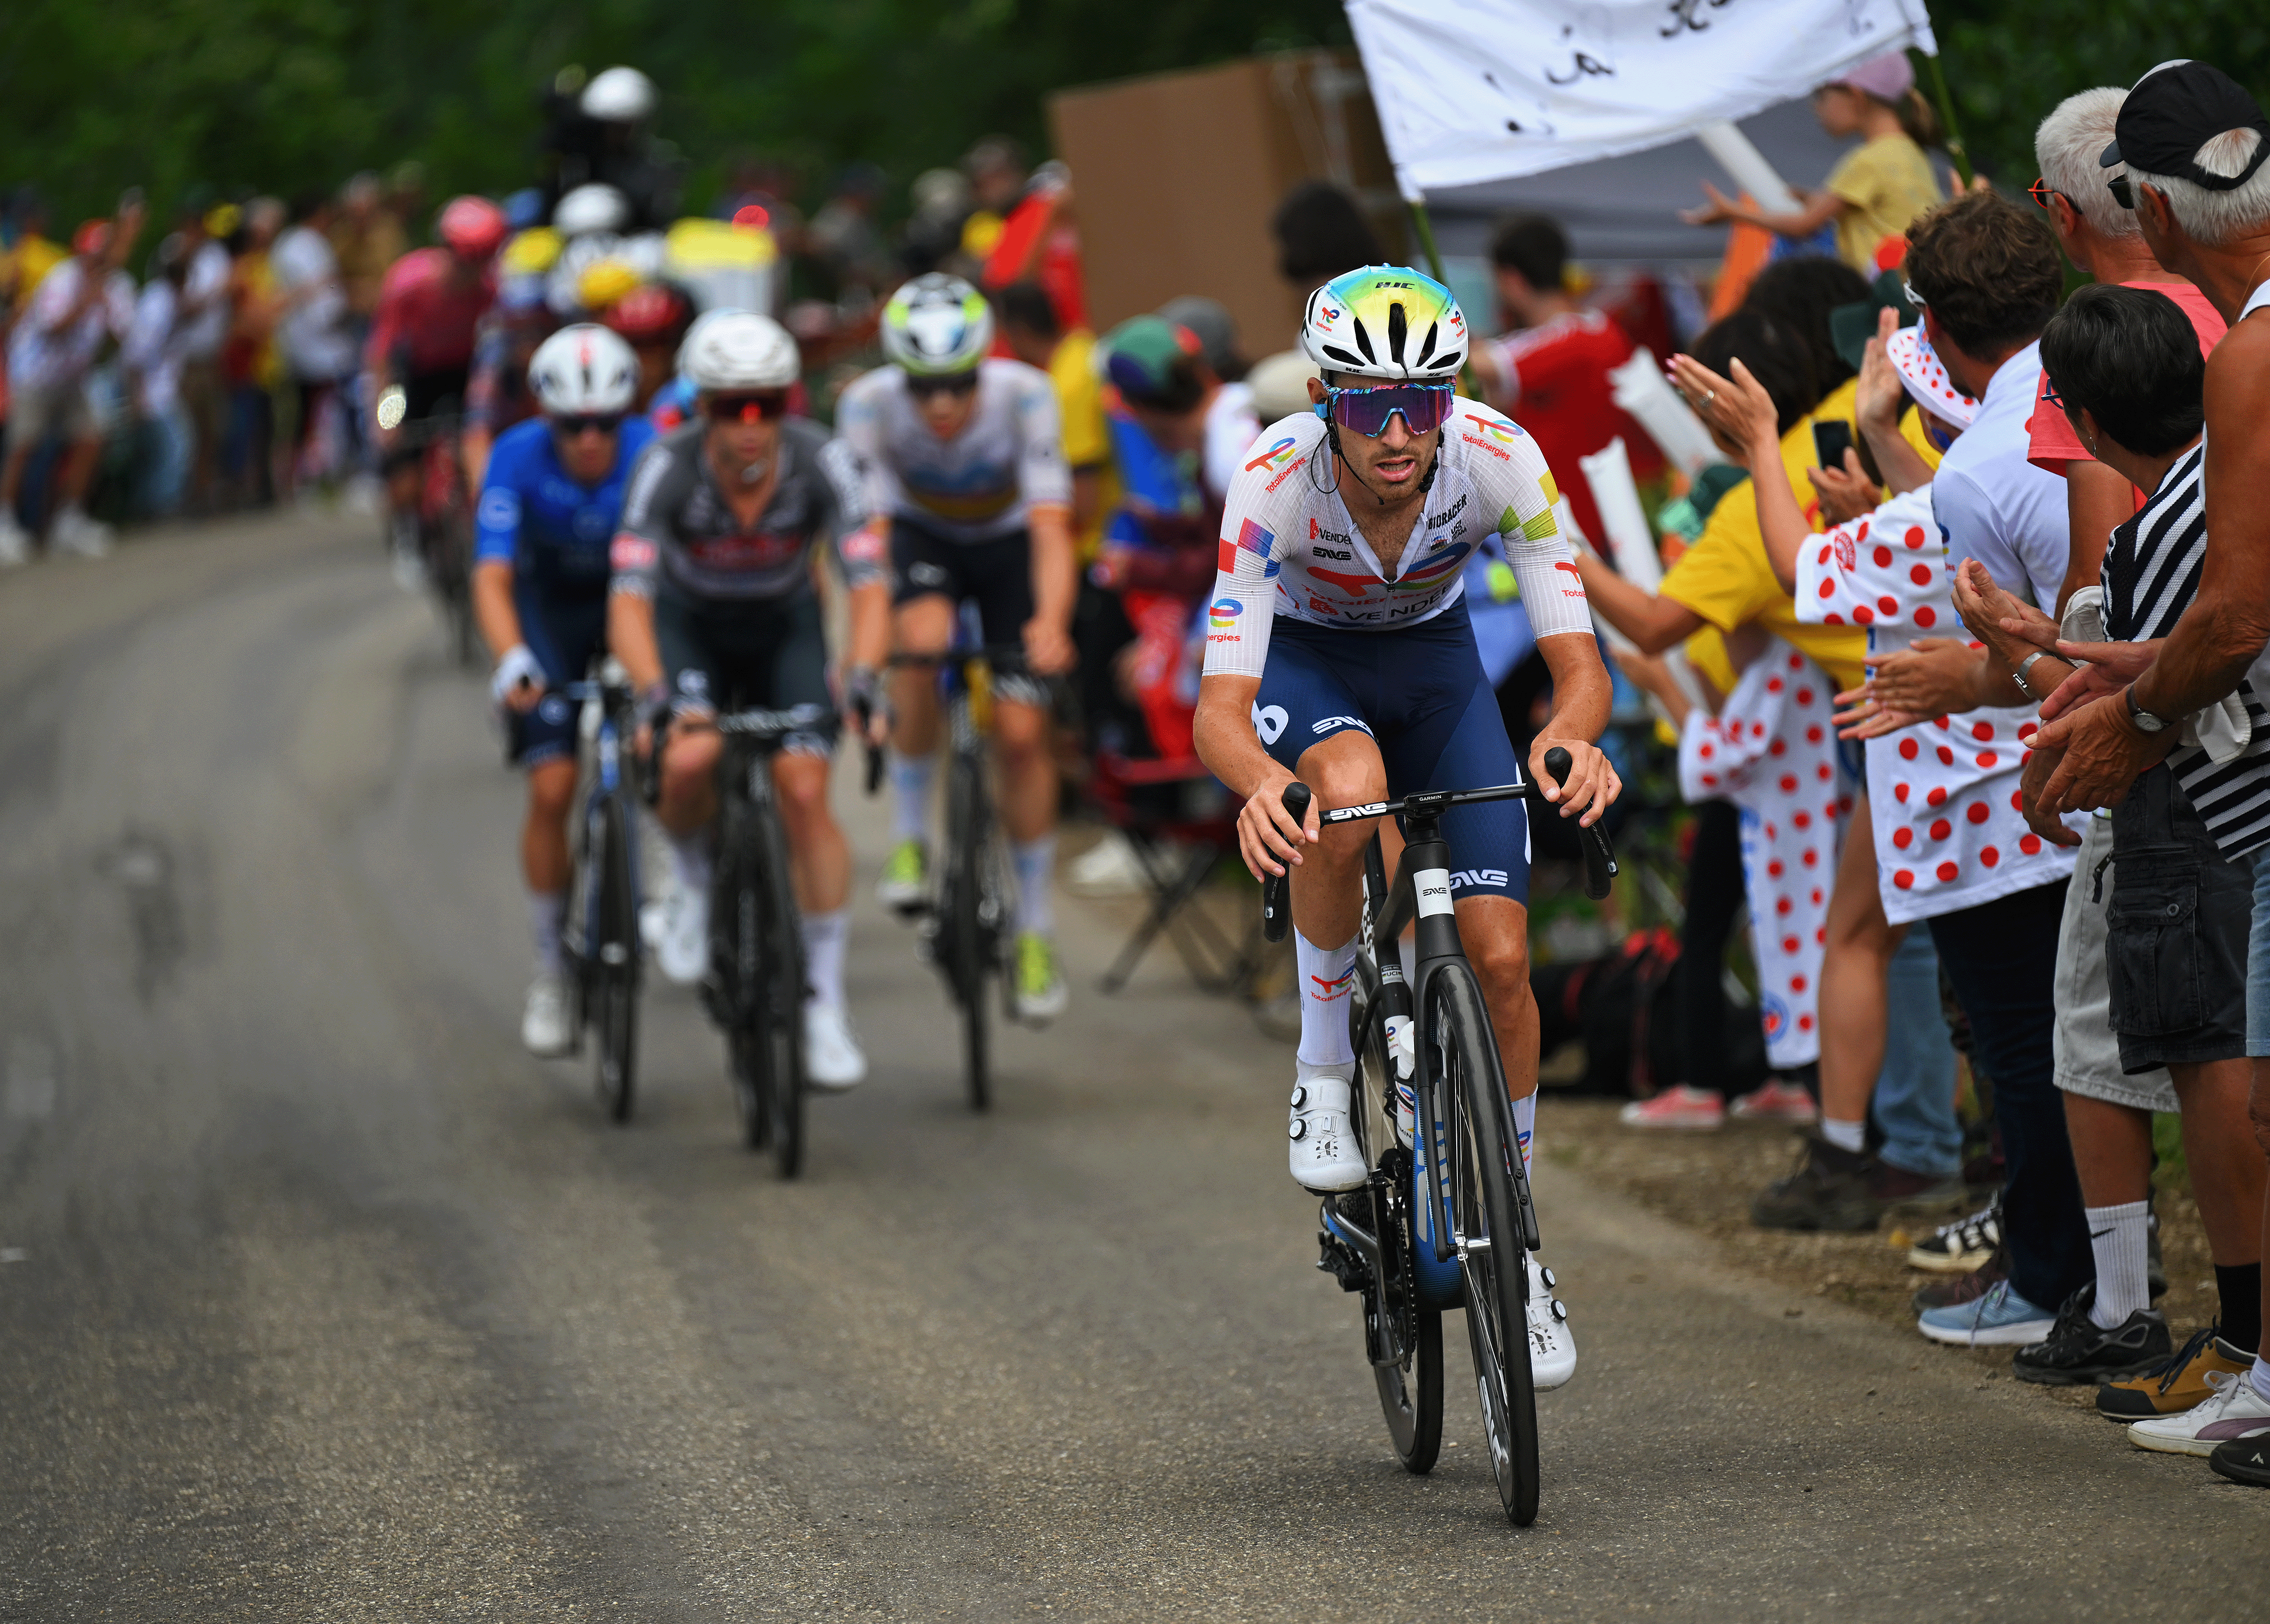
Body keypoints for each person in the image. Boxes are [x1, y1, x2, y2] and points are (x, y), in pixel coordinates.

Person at [1678, 188, 2095, 1350]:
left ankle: (2052, 1277)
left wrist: (1760, 447)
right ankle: (2083, 1268)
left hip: (1988, 810)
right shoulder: (2070, 406)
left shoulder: (1976, 469)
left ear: (1938, 330)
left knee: (2022, 1053)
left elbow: (1809, 572)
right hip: (2054, 791)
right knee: (2060, 1047)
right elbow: (1951, 522)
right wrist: (1884, 447)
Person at [1193, 264, 1620, 1392]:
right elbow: (1218, 711)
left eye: (1421, 402)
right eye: (1371, 404)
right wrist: (1259, 785)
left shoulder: (1499, 457)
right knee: (1344, 782)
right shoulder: (1273, 478)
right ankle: (1322, 1066)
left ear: (1450, 399)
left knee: (1502, 961)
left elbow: (1579, 670)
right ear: (1323, 397)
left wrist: (1570, 740)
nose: (1397, 433)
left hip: (1436, 670)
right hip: (1308, 661)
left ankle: (1515, 1248)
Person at [2021, 61, 2270, 1484]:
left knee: (2238, 1069)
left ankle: (2252, 1353)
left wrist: (2134, 715)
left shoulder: (2251, 353)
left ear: (2154, 214)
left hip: (2232, 792)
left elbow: (2229, 617)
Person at [1967, 285, 2269, 1396]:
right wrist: (2045, 645)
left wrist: (2027, 658)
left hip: (2201, 819)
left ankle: (2241, 1346)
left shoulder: (2159, 525)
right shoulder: (2217, 485)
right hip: (2225, 823)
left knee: (2212, 1063)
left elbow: (2168, 683)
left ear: (2084, 421)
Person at [607, 312, 886, 1087]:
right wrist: (653, 691)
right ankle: (693, 879)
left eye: (769, 403)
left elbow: (868, 581)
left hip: (782, 626)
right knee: (688, 757)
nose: (752, 423)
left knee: (805, 788)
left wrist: (865, 675)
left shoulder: (822, 457)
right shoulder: (665, 465)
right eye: (733, 407)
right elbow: (628, 598)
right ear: (702, 408)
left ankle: (823, 1002)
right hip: (689, 626)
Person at [839, 274, 1077, 1022]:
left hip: (1009, 545)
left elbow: (1050, 528)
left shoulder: (1026, 394)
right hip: (922, 536)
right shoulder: (867, 404)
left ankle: (1034, 928)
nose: (941, 403)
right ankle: (911, 836)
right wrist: (868, 645)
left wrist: (1052, 622)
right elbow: (870, 541)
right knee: (921, 642)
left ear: (983, 364)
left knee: (1021, 735)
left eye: (957, 382)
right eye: (923, 385)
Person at [472, 324, 656, 1054]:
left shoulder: (650, 448)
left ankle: (672, 868)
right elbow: (491, 575)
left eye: (605, 424)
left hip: (630, 605)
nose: (589, 439)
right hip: (548, 615)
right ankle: (550, 967)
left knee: (672, 740)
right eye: (573, 426)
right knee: (551, 787)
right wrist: (511, 657)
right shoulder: (516, 454)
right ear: (548, 419)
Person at [1091, 314, 1258, 760]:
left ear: (1144, 410)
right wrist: (1162, 527)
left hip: (1295, 615)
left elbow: (1241, 562)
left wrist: (1140, 568)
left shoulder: (1228, 455)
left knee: (1180, 672)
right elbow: (1218, 535)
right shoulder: (1232, 409)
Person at [1466, 212, 1666, 546]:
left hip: (1570, 529)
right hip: (1601, 520)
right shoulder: (1603, 327)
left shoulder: (1569, 338)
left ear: (1511, 280)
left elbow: (1480, 361)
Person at [1684, 51, 1945, 273]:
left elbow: (1803, 226)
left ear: (1856, 96)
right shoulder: (1910, 151)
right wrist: (1812, 199)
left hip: (1881, 293)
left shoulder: (1869, 160)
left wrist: (1733, 213)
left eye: (1822, 94)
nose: (1816, 107)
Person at [366, 195, 507, 578]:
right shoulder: (407, 282)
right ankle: (407, 529)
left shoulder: (492, 288)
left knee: (481, 440)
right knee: (401, 457)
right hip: (412, 374)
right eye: (464, 260)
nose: (471, 272)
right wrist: (385, 419)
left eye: (481, 262)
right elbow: (381, 355)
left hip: (465, 370)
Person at [1, 219, 135, 563]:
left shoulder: (117, 286)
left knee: (92, 438)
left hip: (74, 378)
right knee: (23, 446)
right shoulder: (61, 279)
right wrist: (90, 299)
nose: (97, 262)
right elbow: (54, 328)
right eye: (93, 256)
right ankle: (4, 523)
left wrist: (107, 308)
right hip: (35, 375)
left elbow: (122, 339)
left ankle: (68, 520)